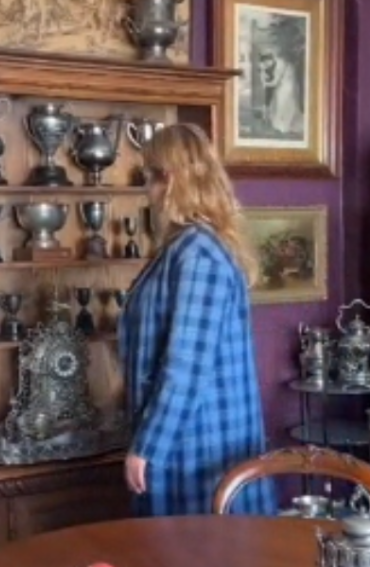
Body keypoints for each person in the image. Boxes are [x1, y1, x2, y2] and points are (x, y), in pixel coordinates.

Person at [117, 123, 277, 517]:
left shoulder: (198, 254)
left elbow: (186, 367)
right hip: (189, 434)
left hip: (199, 441)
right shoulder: (185, 247)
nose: (146, 192)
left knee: (197, 551)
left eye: (148, 178)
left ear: (167, 181)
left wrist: (147, 446)